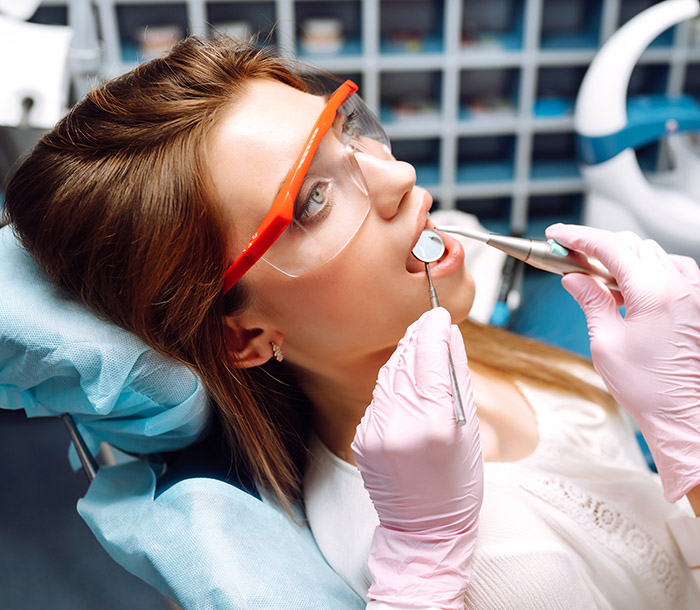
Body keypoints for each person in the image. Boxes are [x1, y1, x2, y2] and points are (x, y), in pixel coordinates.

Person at [3, 35, 700, 609]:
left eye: (349, 130)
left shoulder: (439, 336)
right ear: (242, 336)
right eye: (311, 203)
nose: (398, 178)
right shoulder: (500, 563)